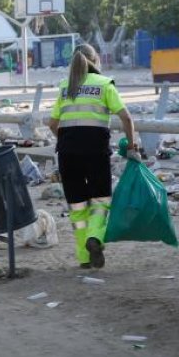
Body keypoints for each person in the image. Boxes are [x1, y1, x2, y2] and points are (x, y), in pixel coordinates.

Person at [48, 43, 138, 269]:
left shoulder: (65, 87)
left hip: (67, 153)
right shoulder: (104, 84)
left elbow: (52, 123)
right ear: (95, 60)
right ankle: (95, 238)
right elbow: (126, 118)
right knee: (100, 200)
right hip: (96, 152)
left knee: (77, 206)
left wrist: (66, 139)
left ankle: (84, 258)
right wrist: (132, 146)